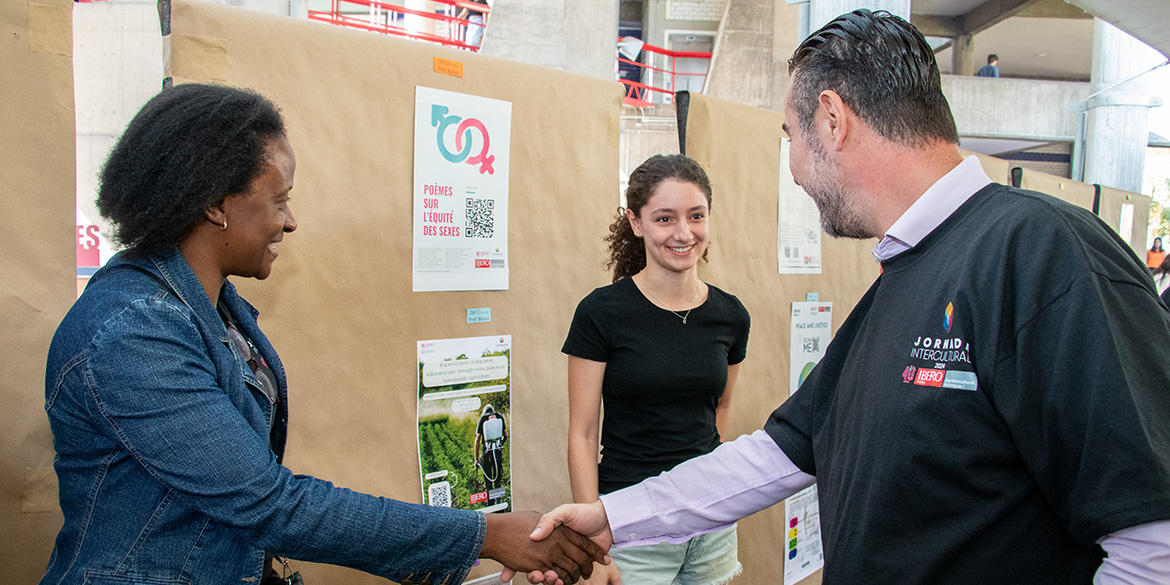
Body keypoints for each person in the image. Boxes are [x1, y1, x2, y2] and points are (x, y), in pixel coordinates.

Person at [515, 10, 1170, 585]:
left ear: (832, 119)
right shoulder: (903, 275)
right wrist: (610, 517)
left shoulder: (1044, 252)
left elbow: (1152, 540)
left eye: (789, 137)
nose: (794, 166)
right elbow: (775, 454)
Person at [40, 83, 606, 585]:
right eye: (279, 200)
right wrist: (484, 534)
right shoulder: (134, 333)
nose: (290, 221)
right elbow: (268, 504)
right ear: (215, 202)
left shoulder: (216, 309)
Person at [562, 154, 750, 585]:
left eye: (695, 216)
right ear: (636, 222)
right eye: (665, 218)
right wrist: (592, 547)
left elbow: (719, 411)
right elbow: (582, 433)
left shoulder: (731, 315)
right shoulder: (601, 313)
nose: (683, 233)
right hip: (631, 524)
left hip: (711, 521)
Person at [474, 403, 509, 503]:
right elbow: (506, 435)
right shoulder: (500, 417)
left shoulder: (483, 420)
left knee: (488, 481)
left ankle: (490, 504)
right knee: (497, 480)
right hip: (497, 453)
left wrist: (476, 459)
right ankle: (498, 502)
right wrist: (501, 444)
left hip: (486, 454)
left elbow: (477, 440)